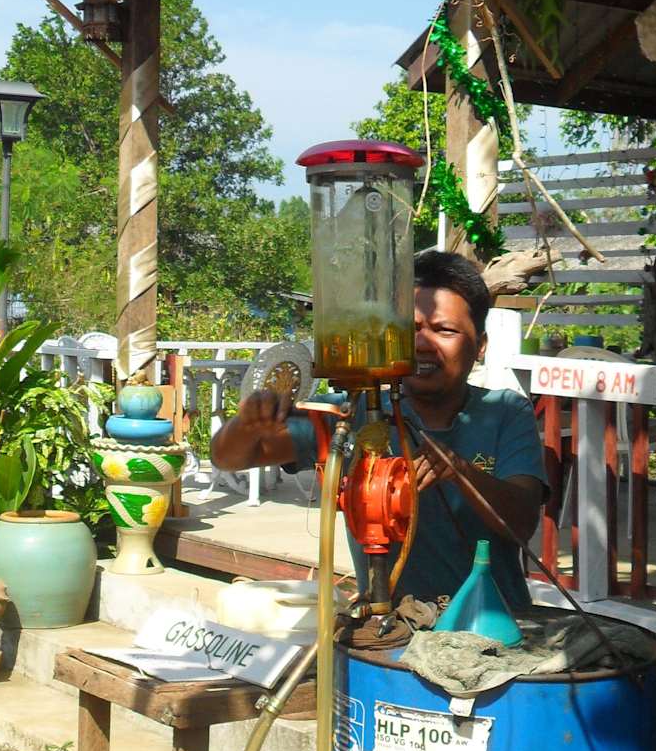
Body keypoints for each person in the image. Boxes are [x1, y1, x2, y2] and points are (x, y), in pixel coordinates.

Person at [211, 250, 546, 612]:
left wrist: (461, 472)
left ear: (480, 346)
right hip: (393, 622)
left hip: (496, 623)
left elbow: (522, 522)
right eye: (410, 330)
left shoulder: (505, 411)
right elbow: (228, 457)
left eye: (444, 330)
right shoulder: (352, 412)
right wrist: (248, 421)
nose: (422, 344)